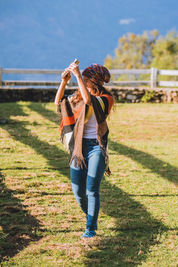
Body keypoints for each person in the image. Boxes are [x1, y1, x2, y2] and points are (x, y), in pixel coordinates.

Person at [54, 60, 114, 239]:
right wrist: (64, 81)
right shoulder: (78, 96)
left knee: (91, 189)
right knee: (78, 193)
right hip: (78, 149)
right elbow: (59, 102)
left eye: (86, 79)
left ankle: (90, 228)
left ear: (93, 82)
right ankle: (91, 215)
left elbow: (90, 102)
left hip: (97, 147)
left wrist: (77, 75)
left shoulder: (106, 100)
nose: (83, 82)